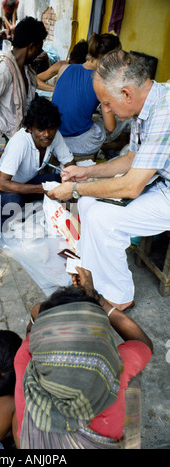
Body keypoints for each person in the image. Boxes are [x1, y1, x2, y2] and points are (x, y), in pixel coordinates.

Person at [47, 50, 170, 311]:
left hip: (166, 190)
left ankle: (119, 295)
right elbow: (131, 160)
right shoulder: (143, 105)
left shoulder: (164, 111)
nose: (105, 111)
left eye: (106, 103)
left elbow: (131, 185)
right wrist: (87, 173)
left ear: (126, 93)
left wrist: (75, 189)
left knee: (104, 219)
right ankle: (92, 277)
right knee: (91, 206)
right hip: (160, 181)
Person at [12, 266, 153, 449]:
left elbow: (32, 335)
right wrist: (98, 300)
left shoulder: (24, 360)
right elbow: (143, 344)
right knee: (130, 381)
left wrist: (35, 313)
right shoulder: (117, 368)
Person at [0, 96, 75, 229]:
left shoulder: (54, 136)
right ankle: (2, 221)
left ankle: (67, 222)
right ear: (30, 128)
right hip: (0, 192)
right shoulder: (20, 142)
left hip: (23, 186)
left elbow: (69, 163)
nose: (46, 134)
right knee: (14, 201)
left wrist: (70, 180)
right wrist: (42, 189)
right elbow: (2, 184)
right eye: (40, 129)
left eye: (51, 128)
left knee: (56, 180)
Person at [0, 16, 48, 157]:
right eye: (39, 48)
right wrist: (2, 122)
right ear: (31, 46)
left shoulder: (25, 68)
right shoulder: (4, 72)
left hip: (24, 134)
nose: (39, 53)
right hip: (14, 138)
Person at [51, 32, 121, 159]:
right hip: (78, 144)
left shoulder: (64, 69)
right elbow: (111, 127)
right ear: (109, 58)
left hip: (54, 137)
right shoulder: (102, 81)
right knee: (111, 121)